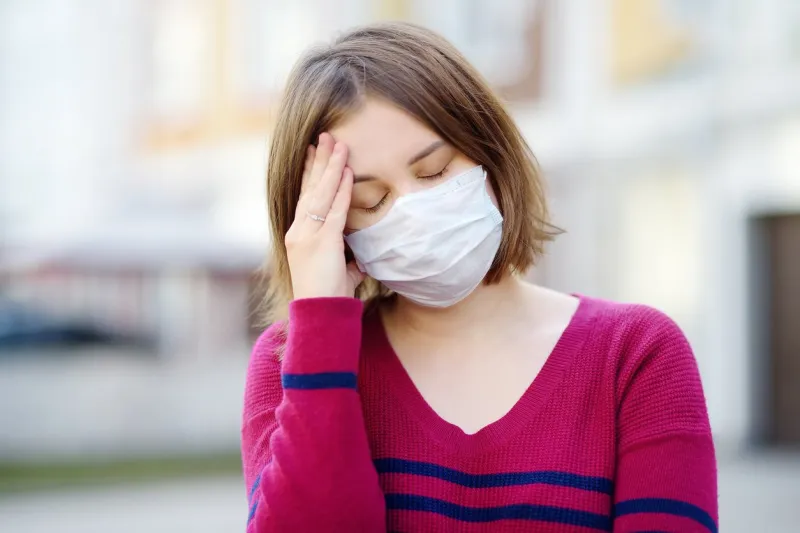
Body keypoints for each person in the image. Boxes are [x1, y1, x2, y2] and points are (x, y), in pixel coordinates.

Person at [241, 22, 717, 533]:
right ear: (333, 228)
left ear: (488, 151)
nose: (415, 211)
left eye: (435, 171)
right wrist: (319, 327)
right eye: (371, 201)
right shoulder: (289, 365)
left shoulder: (636, 356)